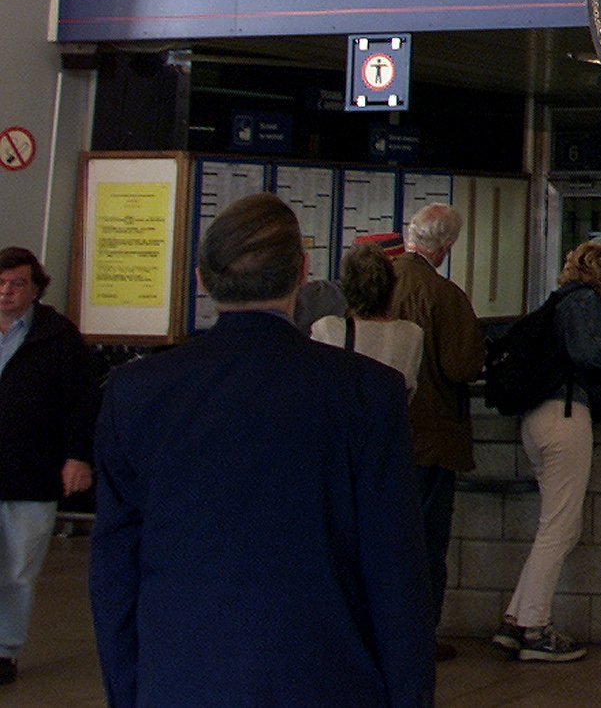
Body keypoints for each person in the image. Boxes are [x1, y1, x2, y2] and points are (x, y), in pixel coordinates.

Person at [91, 192, 433, 708]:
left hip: (180, 679)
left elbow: (115, 570)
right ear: (303, 272)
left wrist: (129, 690)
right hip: (327, 678)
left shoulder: (136, 392)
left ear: (202, 279)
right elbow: (396, 571)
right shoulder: (366, 392)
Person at [494, 239, 601, 664]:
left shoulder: (556, 302)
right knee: (561, 528)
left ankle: (516, 619)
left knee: (552, 525)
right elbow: (586, 354)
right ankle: (535, 628)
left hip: (536, 418)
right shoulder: (586, 303)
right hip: (565, 416)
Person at [0, 248, 101, 688]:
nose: (6, 292)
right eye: (0, 283)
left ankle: (4, 649)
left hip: (31, 471)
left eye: (16, 283)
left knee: (18, 568)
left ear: (36, 288)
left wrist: (78, 456)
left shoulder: (58, 338)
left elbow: (83, 402)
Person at [387, 202, 482, 658]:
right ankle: (419, 636)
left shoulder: (378, 282)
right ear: (445, 248)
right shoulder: (443, 294)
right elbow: (461, 365)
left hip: (383, 436)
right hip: (432, 438)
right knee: (425, 544)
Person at [312, 241, 425, 394]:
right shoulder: (412, 334)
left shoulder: (326, 329)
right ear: (392, 285)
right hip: (390, 416)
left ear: (345, 286)